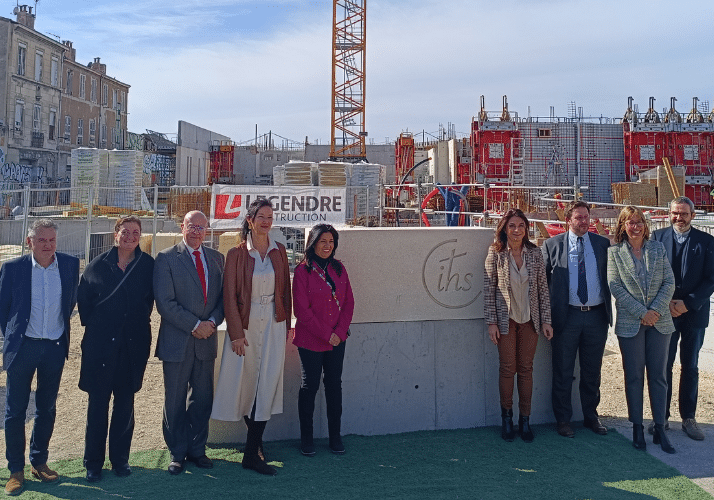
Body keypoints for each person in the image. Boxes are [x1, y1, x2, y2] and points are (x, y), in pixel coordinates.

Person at [211, 199, 291, 476]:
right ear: (250, 220)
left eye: (270, 216)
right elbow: (229, 297)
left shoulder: (279, 251)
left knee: (267, 382)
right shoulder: (236, 254)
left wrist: (285, 328)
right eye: (261, 217)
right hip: (245, 327)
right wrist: (235, 333)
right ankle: (252, 449)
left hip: (273, 322)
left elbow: (286, 293)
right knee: (245, 384)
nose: (266, 221)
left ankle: (252, 451)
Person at [0, 219, 79, 496]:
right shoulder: (12, 269)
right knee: (15, 412)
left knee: (46, 408)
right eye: (42, 240)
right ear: (29, 242)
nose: (48, 246)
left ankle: (39, 461)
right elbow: (4, 310)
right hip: (23, 349)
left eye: (52, 240)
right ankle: (15, 470)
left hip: (55, 347)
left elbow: (70, 303)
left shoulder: (70, 265)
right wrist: (14, 340)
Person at [77, 215, 154, 482]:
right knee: (97, 406)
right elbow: (84, 307)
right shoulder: (97, 266)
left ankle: (120, 460)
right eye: (125, 232)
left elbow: (150, 302)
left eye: (136, 232)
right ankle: (93, 463)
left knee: (125, 405)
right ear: (115, 234)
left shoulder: (147, 266)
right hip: (100, 347)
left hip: (133, 347)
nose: (131, 237)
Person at [154, 210, 225, 475]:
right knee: (174, 399)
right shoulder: (166, 258)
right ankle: (177, 451)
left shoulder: (217, 259)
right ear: (182, 227)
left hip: (206, 341)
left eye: (201, 227)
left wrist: (212, 323)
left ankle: (198, 449)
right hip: (178, 341)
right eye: (192, 226)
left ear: (207, 230)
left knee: (202, 398)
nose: (196, 231)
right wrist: (195, 325)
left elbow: (222, 300)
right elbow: (165, 302)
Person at [607, 205, 675, 453]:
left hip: (660, 322)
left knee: (658, 376)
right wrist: (641, 312)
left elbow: (669, 281)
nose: (635, 227)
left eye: (639, 222)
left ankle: (659, 427)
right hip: (631, 323)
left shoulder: (658, 249)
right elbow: (615, 286)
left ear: (645, 226)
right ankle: (637, 427)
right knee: (634, 377)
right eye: (630, 222)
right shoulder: (614, 253)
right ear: (623, 226)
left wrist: (654, 310)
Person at [542, 201, 612, 438]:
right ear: (568, 221)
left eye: (586, 217)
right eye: (579, 218)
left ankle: (591, 417)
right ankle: (563, 420)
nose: (584, 222)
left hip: (596, 317)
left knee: (592, 372)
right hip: (566, 318)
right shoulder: (552, 245)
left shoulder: (602, 244)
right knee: (562, 371)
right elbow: (541, 284)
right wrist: (545, 318)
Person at [484, 209, 553, 443]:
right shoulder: (495, 254)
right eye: (512, 225)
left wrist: (546, 320)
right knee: (507, 369)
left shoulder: (535, 254)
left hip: (530, 321)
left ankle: (525, 420)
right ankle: (507, 419)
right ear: (504, 228)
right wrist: (492, 321)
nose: (516, 230)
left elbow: (543, 288)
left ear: (526, 228)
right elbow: (489, 290)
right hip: (506, 321)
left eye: (521, 226)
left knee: (526, 369)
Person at [652, 196, 714, 441]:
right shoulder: (656, 239)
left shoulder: (707, 242)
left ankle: (688, 417)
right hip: (665, 311)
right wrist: (666, 302)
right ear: (669, 214)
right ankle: (662, 418)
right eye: (675, 213)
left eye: (684, 214)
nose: (679, 218)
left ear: (693, 215)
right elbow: (651, 274)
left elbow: (711, 278)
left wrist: (688, 303)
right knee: (663, 365)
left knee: (690, 365)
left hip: (694, 313)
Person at [293, 224, 355, 455]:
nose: (327, 246)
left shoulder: (340, 269)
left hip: (337, 341)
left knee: (334, 387)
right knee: (309, 387)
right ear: (313, 243)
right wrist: (326, 334)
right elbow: (302, 310)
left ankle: (335, 437)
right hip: (311, 340)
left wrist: (338, 333)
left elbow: (348, 302)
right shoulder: (302, 271)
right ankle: (306, 439)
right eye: (323, 241)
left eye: (331, 241)